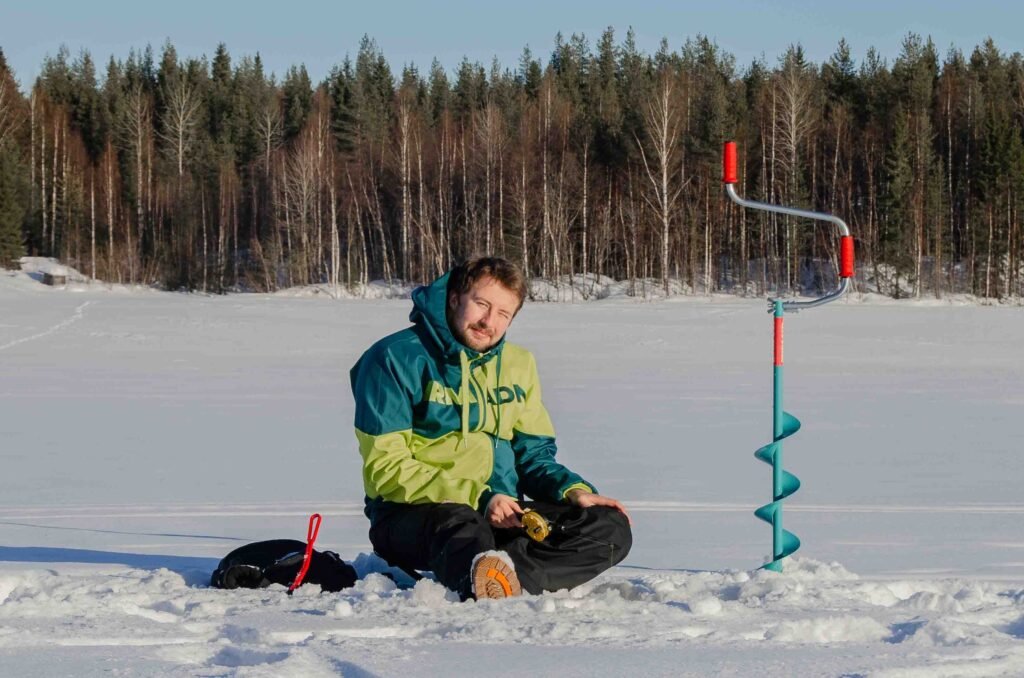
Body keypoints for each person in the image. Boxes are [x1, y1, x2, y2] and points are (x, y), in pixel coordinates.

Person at [350, 256, 632, 600]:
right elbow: (386, 470)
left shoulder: (518, 365)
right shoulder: (393, 359)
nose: (489, 322)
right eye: (481, 304)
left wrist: (571, 490)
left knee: (608, 526)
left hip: (503, 516)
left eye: (503, 314)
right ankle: (487, 572)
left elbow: (533, 456)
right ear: (455, 299)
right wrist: (482, 498)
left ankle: (500, 578)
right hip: (415, 517)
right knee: (462, 525)